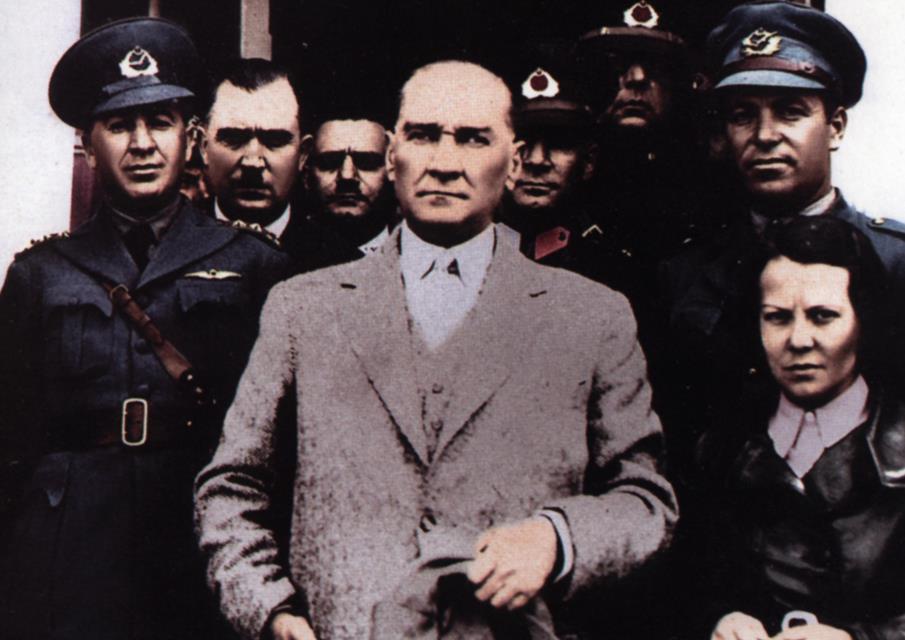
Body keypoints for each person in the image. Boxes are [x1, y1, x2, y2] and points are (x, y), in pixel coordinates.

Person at [195, 60, 676, 640]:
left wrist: (558, 539)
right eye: (424, 135)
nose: (445, 163)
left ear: (514, 161)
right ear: (392, 154)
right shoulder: (303, 308)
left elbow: (645, 500)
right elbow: (231, 486)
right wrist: (269, 608)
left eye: (473, 139)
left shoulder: (591, 317)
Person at [0, 18, 290, 639]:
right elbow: (11, 441)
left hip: (198, 539)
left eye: (159, 122)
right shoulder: (39, 274)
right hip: (67, 549)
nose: (141, 144)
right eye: (118, 125)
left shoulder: (254, 265)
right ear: (88, 144)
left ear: (190, 138)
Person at [661, 0, 905, 483]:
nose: (765, 136)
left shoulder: (894, 261)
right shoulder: (684, 274)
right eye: (742, 116)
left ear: (835, 127)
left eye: (790, 112)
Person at [697, 215, 905, 640]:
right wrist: (719, 619)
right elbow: (686, 578)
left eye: (823, 316)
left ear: (863, 320)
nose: (798, 340)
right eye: (777, 317)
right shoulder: (720, 446)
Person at [499, 43, 598, 264]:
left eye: (558, 142)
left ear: (588, 161)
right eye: (520, 141)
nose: (536, 160)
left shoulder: (610, 270)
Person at [203, 58, 312, 253]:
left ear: (303, 154)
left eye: (275, 141)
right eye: (234, 138)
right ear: (203, 147)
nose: (252, 162)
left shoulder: (340, 261)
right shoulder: (164, 248)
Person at [289, 110, 398, 271]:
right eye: (329, 162)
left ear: (393, 170)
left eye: (367, 162)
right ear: (306, 173)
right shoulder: (273, 261)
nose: (347, 176)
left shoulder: (418, 257)